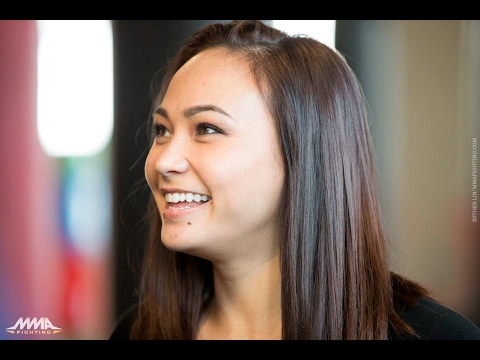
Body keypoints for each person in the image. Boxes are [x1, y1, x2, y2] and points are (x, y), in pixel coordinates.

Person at [110, 20, 480, 340]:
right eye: (162, 130)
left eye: (206, 128)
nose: (163, 161)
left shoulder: (438, 335)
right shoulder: (136, 332)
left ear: (302, 154)